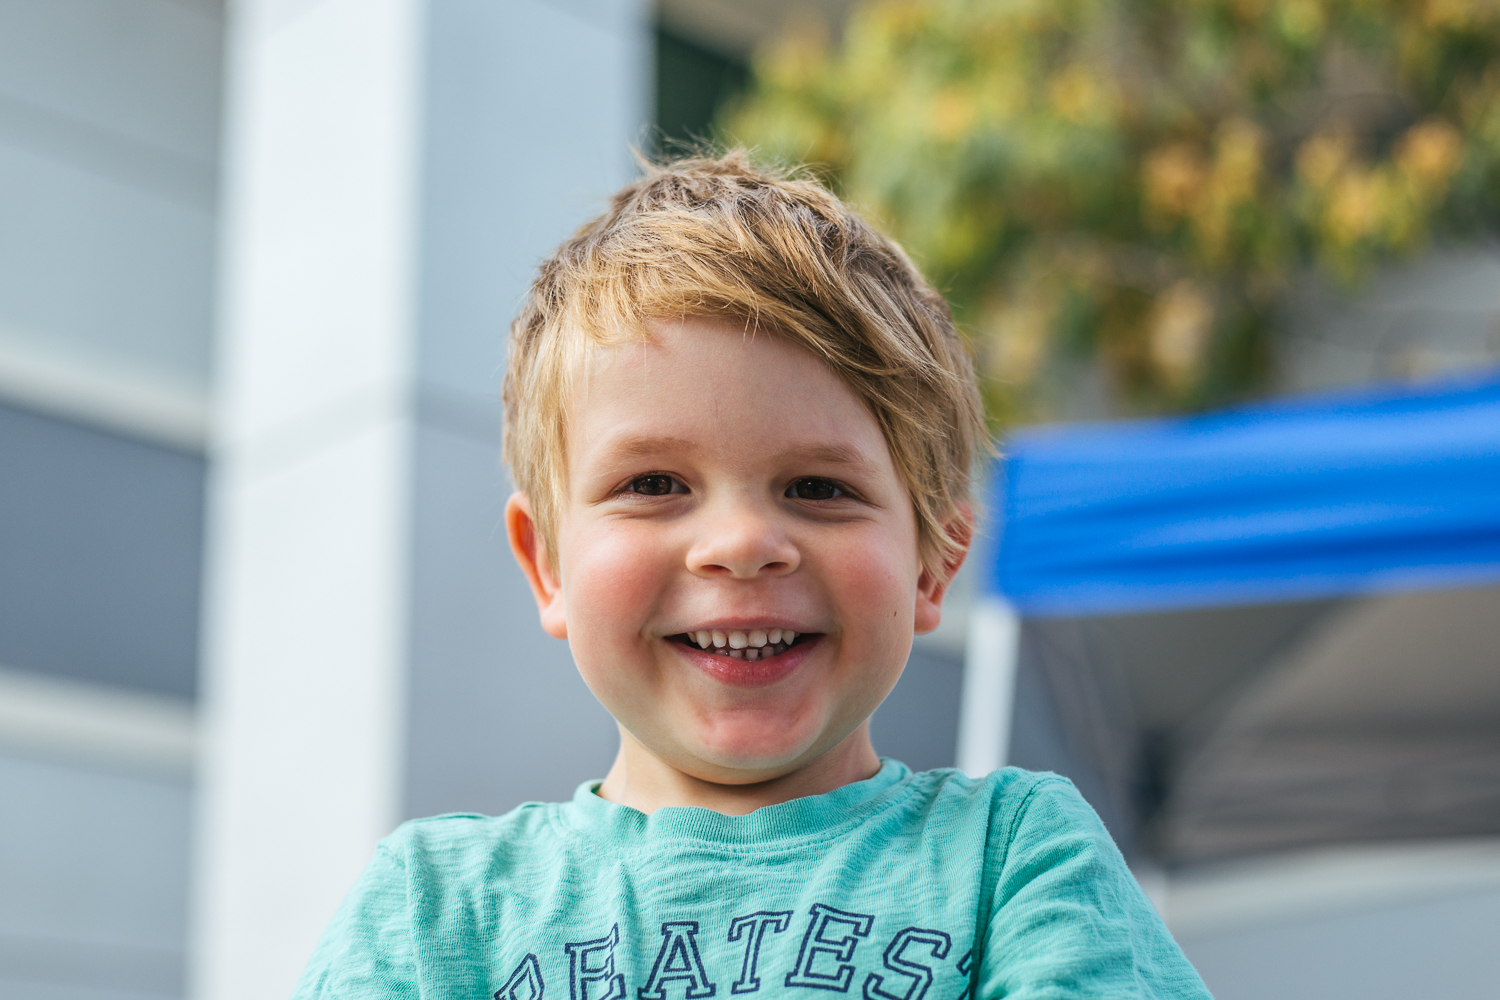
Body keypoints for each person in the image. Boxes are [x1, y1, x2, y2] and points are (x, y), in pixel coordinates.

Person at [291, 151, 1212, 999]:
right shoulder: (431, 914)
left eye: (818, 487)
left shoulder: (1013, 861)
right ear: (548, 564)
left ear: (935, 561)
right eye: (653, 484)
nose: (739, 542)